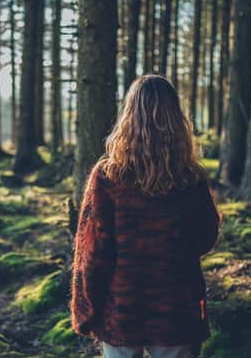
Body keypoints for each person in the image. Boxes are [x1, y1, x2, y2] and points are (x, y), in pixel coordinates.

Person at [70, 75, 221, 358]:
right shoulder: (190, 178)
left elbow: (92, 250)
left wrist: (86, 308)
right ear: (177, 119)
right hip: (176, 308)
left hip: (121, 307)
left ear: (128, 117)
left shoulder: (108, 177)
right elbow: (205, 237)